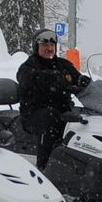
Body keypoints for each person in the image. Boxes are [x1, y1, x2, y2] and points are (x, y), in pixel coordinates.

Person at [16, 28, 91, 170]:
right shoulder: (28, 67)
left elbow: (76, 77)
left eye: (52, 45)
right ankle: (43, 168)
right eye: (45, 45)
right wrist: (50, 78)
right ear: (36, 47)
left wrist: (83, 81)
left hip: (62, 112)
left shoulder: (64, 65)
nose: (49, 49)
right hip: (34, 114)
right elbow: (26, 78)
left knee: (86, 119)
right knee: (50, 117)